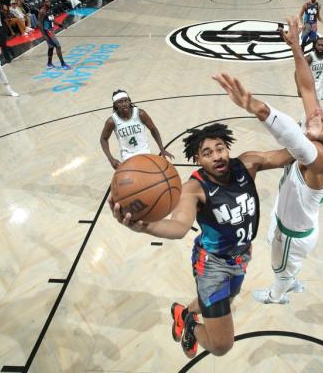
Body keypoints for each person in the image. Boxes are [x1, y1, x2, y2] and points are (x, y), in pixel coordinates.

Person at [111, 118, 293, 358]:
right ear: (198, 160)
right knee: (221, 345)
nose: (216, 156)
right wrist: (146, 227)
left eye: (220, 148)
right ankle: (191, 326)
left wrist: (316, 137)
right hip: (212, 265)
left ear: (228, 148)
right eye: (207, 153)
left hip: (241, 256)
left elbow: (289, 154)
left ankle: (184, 312)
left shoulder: (247, 164)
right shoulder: (193, 189)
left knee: (229, 297)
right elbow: (178, 226)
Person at [215, 17, 323, 305]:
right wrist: (295, 48)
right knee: (279, 250)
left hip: (295, 234)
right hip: (287, 217)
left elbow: (293, 139)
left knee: (280, 270)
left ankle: (278, 294)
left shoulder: (322, 160)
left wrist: (257, 107)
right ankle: (289, 279)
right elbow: (308, 89)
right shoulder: (320, 132)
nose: (319, 118)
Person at [100, 89, 174, 168]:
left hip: (145, 152)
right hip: (127, 157)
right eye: (120, 102)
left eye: (126, 100)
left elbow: (153, 129)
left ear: (129, 101)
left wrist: (162, 149)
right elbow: (103, 139)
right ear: (115, 105)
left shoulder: (140, 114)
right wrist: (111, 159)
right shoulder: (112, 121)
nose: (124, 104)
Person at [38, 0, 71, 70]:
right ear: (43, 3)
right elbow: (39, 24)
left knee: (51, 47)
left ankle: (49, 64)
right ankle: (63, 64)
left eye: (49, 1)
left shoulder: (49, 10)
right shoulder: (42, 11)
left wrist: (60, 25)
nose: (48, 3)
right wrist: (44, 35)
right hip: (47, 31)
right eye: (46, 1)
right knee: (58, 46)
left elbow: (52, 20)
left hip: (51, 30)